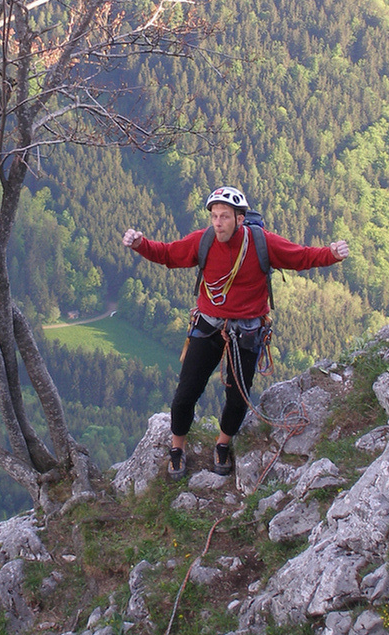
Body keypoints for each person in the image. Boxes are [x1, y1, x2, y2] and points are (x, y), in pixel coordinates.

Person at [123, 185, 350, 479]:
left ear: (240, 219)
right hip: (209, 325)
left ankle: (222, 444)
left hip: (247, 329)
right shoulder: (203, 241)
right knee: (185, 393)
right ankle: (177, 448)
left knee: (237, 397)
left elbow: (301, 257)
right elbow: (168, 255)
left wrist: (332, 254)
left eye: (225, 217)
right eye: (215, 216)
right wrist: (140, 244)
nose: (218, 223)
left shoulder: (262, 243)